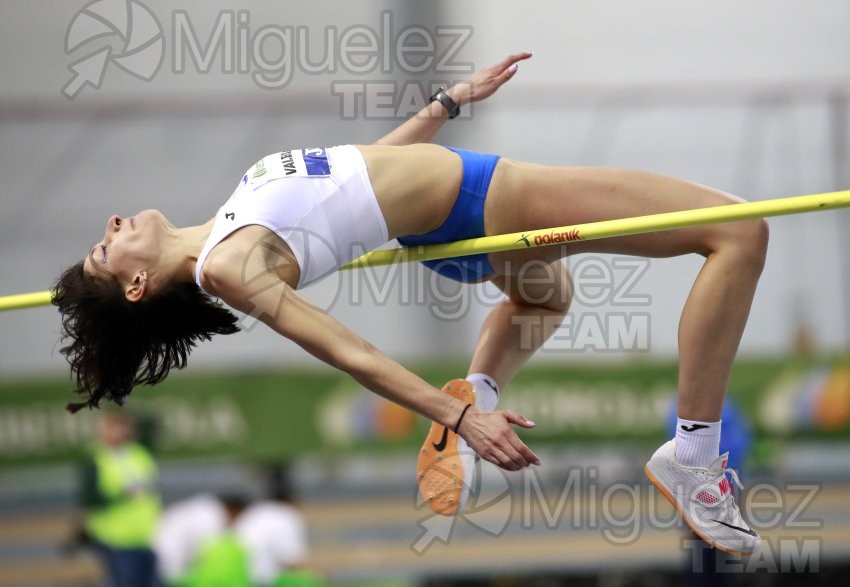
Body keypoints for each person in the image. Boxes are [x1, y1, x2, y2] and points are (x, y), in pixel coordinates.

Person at [51, 52, 767, 555]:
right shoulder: (230, 266)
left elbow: (362, 175)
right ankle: (694, 455)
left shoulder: (226, 224)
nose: (112, 228)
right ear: (136, 286)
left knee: (547, 300)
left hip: (449, 224)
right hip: (487, 200)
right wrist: (455, 416)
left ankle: (482, 382)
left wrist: (447, 104)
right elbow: (346, 349)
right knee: (739, 231)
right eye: (103, 251)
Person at [76, 411, 162, 587]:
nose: (118, 433)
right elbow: (89, 499)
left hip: (148, 535)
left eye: (121, 428)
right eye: (112, 428)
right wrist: (121, 496)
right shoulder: (95, 458)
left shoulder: (139, 453)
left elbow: (152, 424)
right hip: (115, 539)